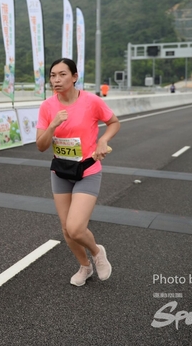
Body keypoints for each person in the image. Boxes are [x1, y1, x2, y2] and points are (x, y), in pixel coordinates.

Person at [36, 58, 120, 287]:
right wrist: (52, 125)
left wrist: (103, 140)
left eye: (62, 74)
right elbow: (41, 145)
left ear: (74, 77)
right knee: (66, 229)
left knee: (75, 227)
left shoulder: (91, 101)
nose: (56, 80)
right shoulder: (47, 107)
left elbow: (114, 122)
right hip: (61, 171)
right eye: (53, 75)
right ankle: (85, 266)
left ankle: (97, 252)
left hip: (87, 169)